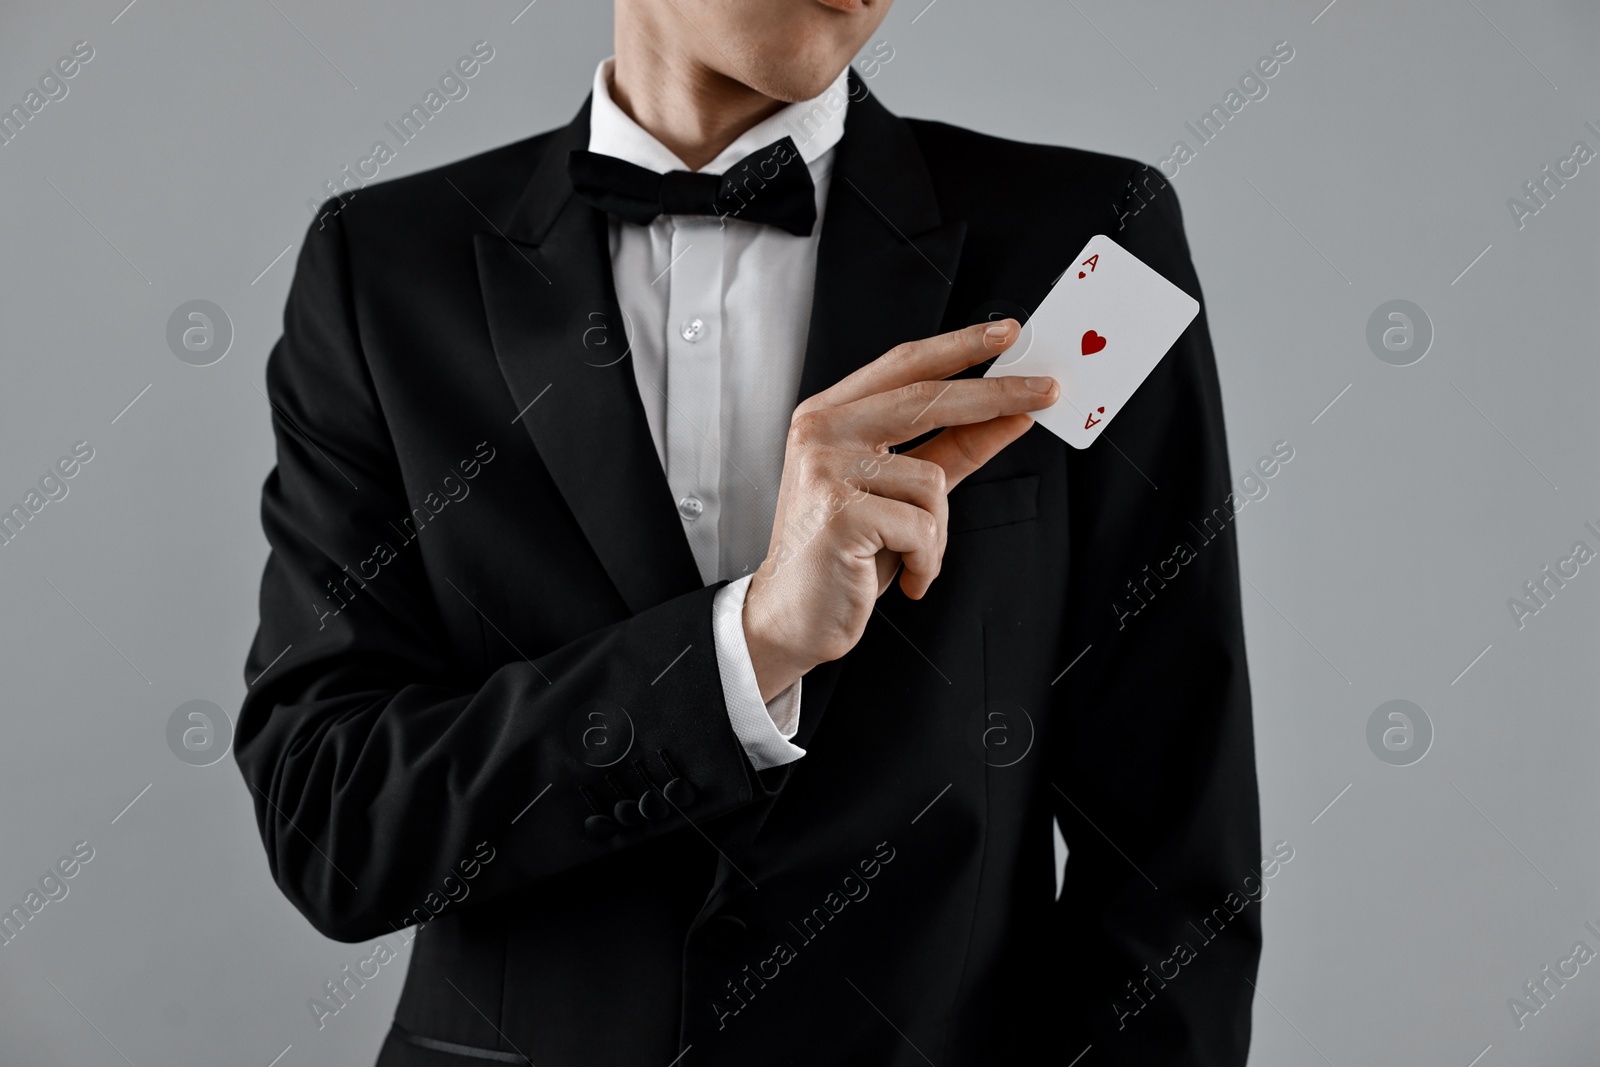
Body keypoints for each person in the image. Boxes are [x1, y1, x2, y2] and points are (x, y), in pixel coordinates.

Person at [236, 0, 1261, 1063]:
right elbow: (333, 824)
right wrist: (747, 645)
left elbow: (1174, 848)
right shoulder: (383, 268)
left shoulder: (1087, 243)